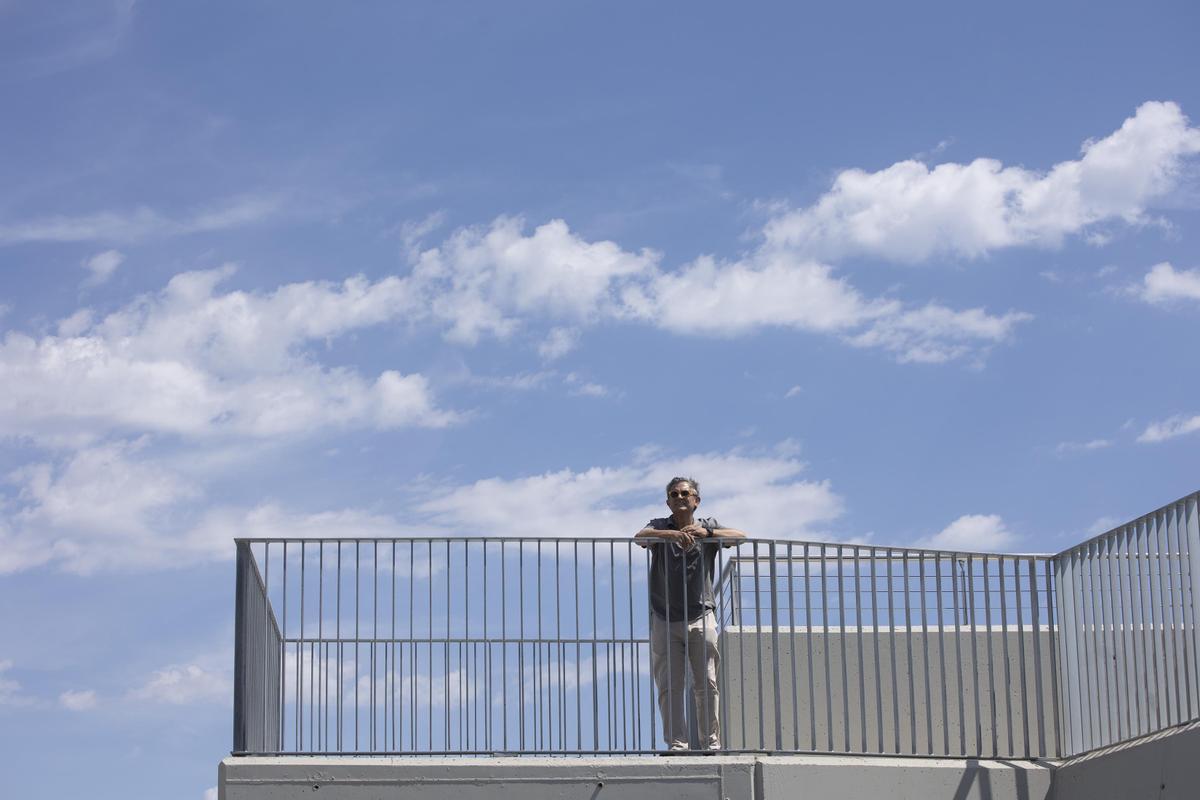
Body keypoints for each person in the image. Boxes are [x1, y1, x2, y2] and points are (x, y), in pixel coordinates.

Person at [634, 476, 746, 751]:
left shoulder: (708, 526)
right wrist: (671, 535)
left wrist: (706, 535)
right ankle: (677, 743)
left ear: (696, 500)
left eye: (686, 493)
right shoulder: (660, 526)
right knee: (669, 686)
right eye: (674, 494)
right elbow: (640, 537)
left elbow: (741, 537)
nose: (680, 497)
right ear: (668, 502)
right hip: (664, 616)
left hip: (700, 614)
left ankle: (710, 742)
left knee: (706, 681)